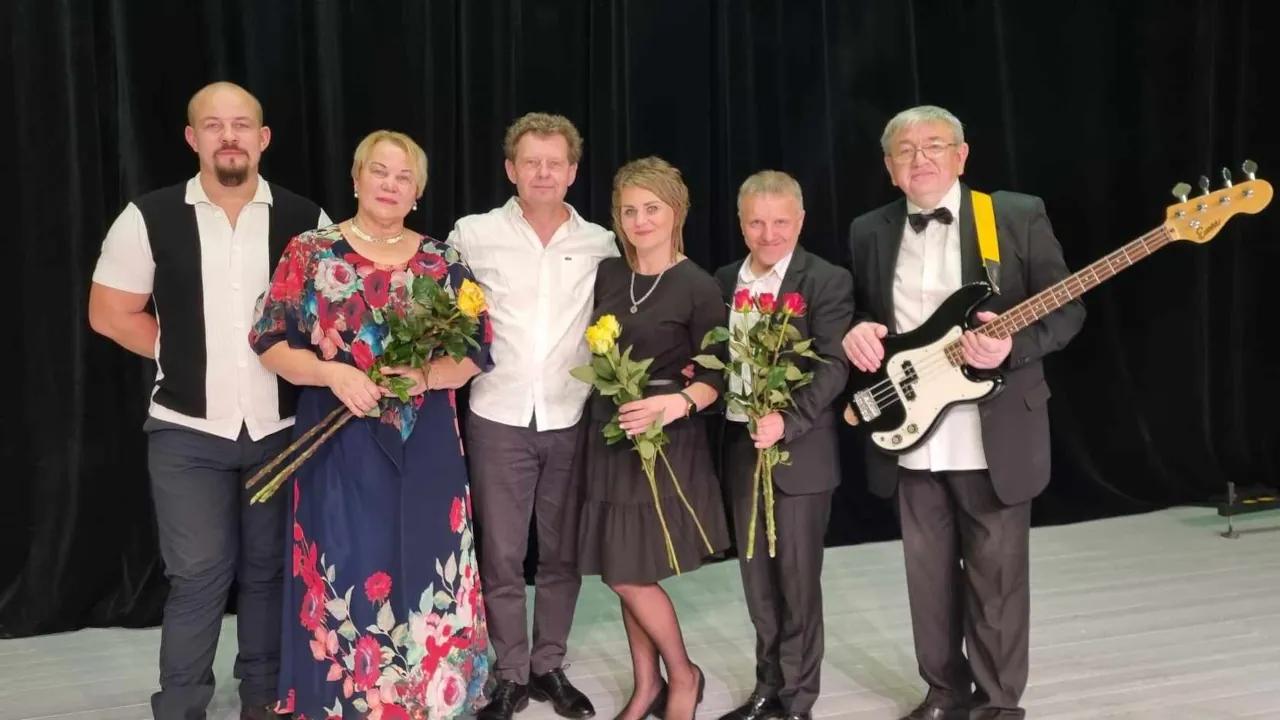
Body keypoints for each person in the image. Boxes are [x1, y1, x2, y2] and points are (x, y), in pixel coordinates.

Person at [87, 81, 330, 720]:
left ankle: (263, 699)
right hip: (186, 433)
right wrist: (180, 350)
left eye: (241, 124)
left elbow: (333, 316)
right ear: (192, 138)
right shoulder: (148, 216)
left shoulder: (308, 220)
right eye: (214, 125)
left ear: (263, 138)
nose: (229, 136)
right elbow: (109, 312)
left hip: (281, 430)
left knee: (269, 572)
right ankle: (181, 706)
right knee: (197, 576)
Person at [843, 105, 1085, 720]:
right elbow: (867, 313)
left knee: (996, 581)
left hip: (992, 431)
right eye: (905, 150)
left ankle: (998, 705)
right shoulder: (868, 230)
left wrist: (1011, 346)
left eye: (933, 145)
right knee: (926, 579)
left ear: (961, 155)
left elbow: (1067, 310)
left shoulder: (1014, 214)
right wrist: (857, 331)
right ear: (889, 168)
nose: (920, 158)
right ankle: (944, 694)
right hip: (910, 431)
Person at [248, 130, 493, 719]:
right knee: (346, 562)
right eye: (379, 171)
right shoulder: (311, 252)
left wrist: (426, 375)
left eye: (404, 177)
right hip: (338, 437)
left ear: (417, 193)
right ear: (356, 179)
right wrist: (330, 373)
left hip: (426, 441)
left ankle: (429, 701)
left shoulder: (443, 262)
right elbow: (269, 342)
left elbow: (475, 353)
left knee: (428, 557)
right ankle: (343, 702)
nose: (390, 184)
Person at [446, 112, 616, 720]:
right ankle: (510, 673)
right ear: (510, 169)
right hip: (497, 413)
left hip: (571, 417)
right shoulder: (472, 234)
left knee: (562, 553)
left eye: (555, 163)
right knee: (502, 553)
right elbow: (444, 316)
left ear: (572, 172)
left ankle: (549, 665)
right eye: (531, 162)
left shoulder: (601, 242)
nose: (543, 172)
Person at [575, 156, 730, 720]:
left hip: (664, 438)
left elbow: (720, 373)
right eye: (629, 211)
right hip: (610, 434)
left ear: (676, 212)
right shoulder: (608, 275)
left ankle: (683, 675)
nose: (640, 221)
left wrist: (677, 402)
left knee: (628, 572)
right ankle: (647, 686)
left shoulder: (698, 285)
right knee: (625, 565)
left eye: (652, 209)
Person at [713, 171, 853, 720]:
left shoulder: (826, 280)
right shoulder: (725, 279)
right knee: (756, 581)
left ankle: (798, 699)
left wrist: (786, 420)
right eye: (756, 222)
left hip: (800, 452)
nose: (768, 234)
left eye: (780, 222)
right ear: (740, 223)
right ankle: (766, 688)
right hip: (742, 448)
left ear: (800, 221)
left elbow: (834, 364)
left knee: (797, 583)